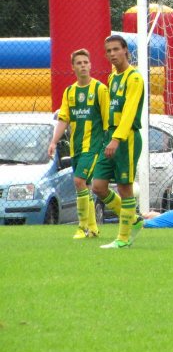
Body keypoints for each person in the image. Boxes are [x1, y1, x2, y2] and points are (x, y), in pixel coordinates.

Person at [48, 48, 110, 239]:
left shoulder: (100, 89)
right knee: (86, 185)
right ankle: (93, 228)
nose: (83, 65)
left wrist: (108, 144)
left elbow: (108, 121)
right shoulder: (70, 92)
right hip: (77, 147)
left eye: (86, 62)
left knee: (79, 181)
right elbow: (63, 119)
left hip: (93, 146)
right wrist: (53, 142)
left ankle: (82, 227)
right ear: (73, 67)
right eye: (79, 63)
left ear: (90, 65)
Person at [92, 35, 145, 249]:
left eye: (116, 49)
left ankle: (123, 238)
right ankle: (132, 219)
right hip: (111, 136)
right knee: (98, 186)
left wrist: (116, 139)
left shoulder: (134, 78)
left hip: (127, 137)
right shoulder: (112, 78)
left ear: (125, 50)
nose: (112, 54)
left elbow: (129, 112)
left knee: (125, 187)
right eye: (109, 51)